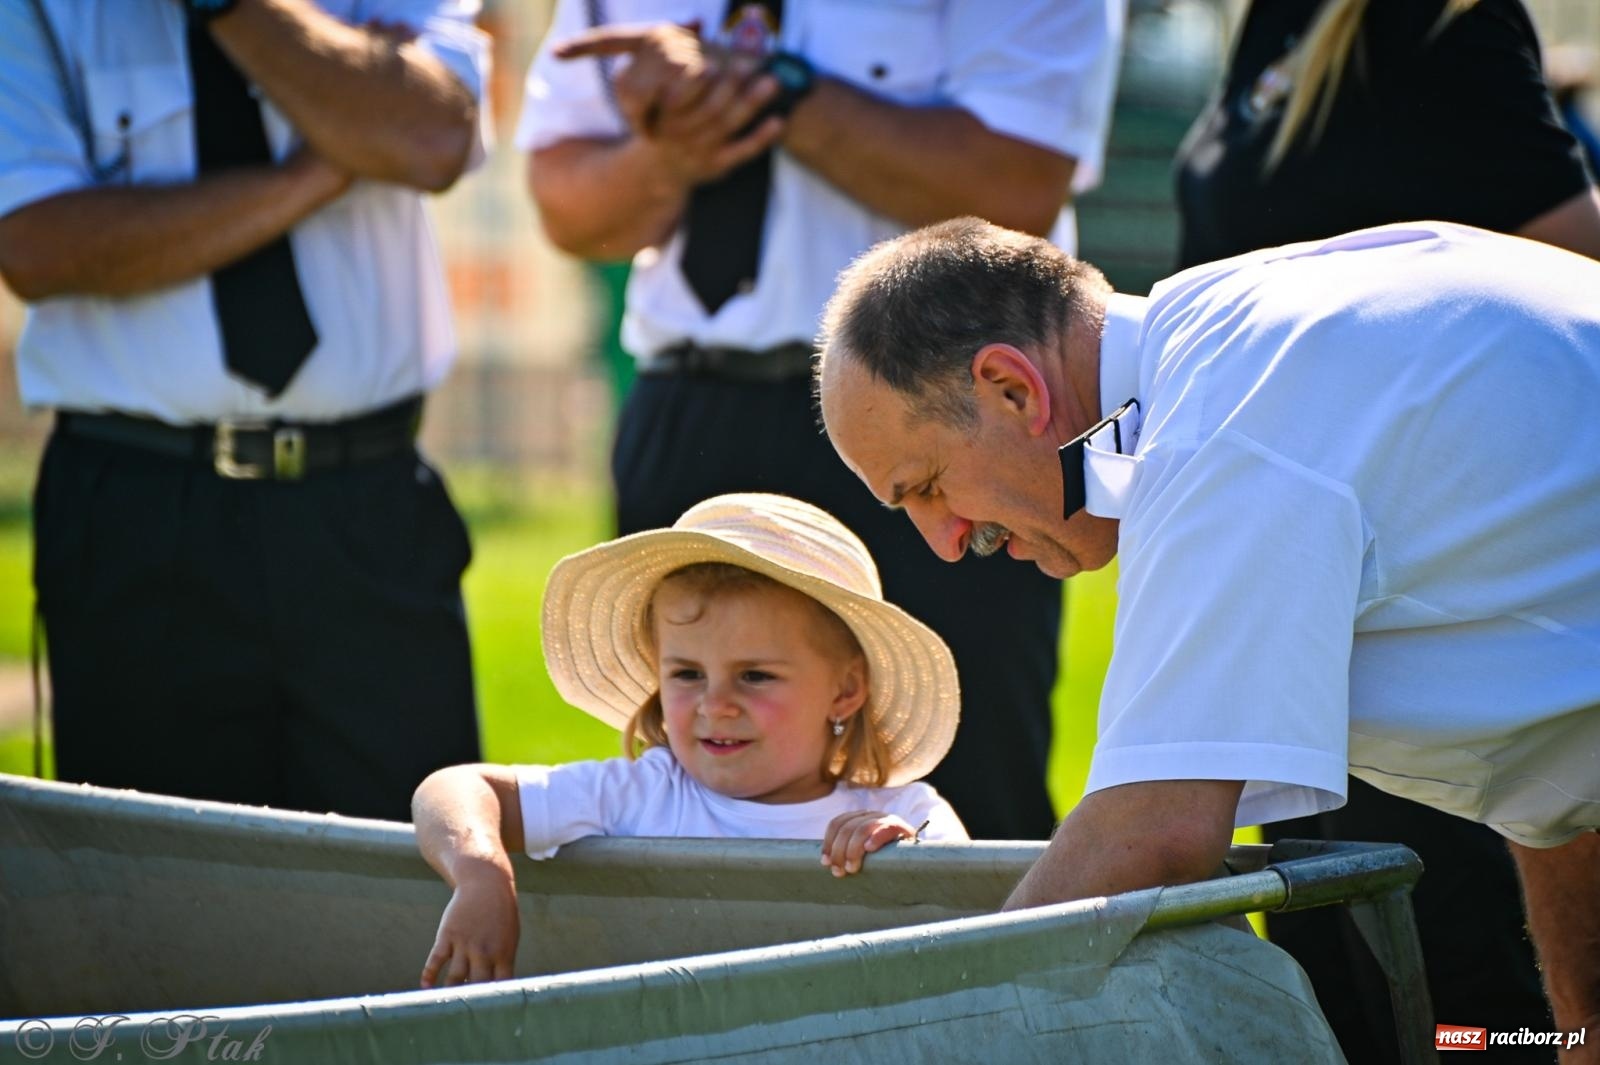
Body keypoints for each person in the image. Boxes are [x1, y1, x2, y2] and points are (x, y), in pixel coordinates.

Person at [814, 217, 1600, 1055]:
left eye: (928, 485)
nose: (944, 541)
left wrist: (918, 1042)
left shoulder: (1218, 420)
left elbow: (1154, 831)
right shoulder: (1231, 339)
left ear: (1012, 388)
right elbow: (1546, 747)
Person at [511, 0, 1124, 840]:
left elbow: (1018, 183)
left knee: (973, 791)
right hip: (693, 404)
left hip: (935, 416)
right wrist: (671, 148)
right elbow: (565, 205)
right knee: (689, 805)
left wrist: (764, 89)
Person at [1170, 0, 1600, 1055]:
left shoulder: (1437, 22)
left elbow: (1570, 273)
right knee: (1341, 979)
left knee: (1467, 1004)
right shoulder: (1274, 26)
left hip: (1424, 586)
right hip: (1296, 595)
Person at [0, 0, 490, 822]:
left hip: (369, 505)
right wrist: (323, 167)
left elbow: (433, 137)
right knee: (156, 877)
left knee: (411, 877)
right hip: (139, 513)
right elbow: (37, 245)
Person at [412, 492, 968, 987]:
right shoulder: (645, 794)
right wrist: (481, 872)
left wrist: (906, 862)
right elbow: (453, 789)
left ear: (844, 691)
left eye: (755, 676)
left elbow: (972, 916)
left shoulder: (903, 813)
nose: (715, 705)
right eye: (686, 674)